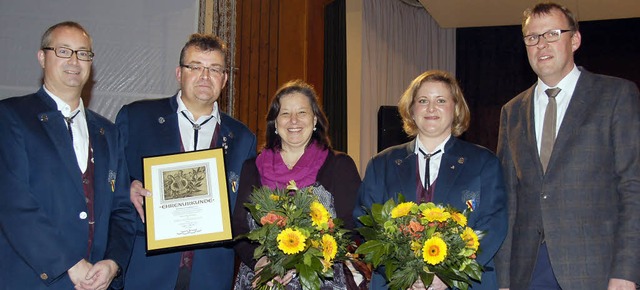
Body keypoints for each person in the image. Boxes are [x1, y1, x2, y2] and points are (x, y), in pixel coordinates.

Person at [494, 2, 640, 290]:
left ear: (575, 40)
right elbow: (508, 201)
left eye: (552, 34)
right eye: (532, 37)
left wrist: (626, 271)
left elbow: (633, 187)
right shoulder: (511, 111)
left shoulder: (616, 95)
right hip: (529, 271)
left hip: (596, 270)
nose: (541, 44)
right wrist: (504, 280)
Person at [0, 21, 136, 290]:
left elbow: (122, 210)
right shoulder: (11, 117)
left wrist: (112, 263)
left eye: (83, 53)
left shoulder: (108, 132)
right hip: (33, 280)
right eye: (64, 51)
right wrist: (69, 264)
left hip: (97, 282)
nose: (75, 61)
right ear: (42, 57)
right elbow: (14, 204)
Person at [115, 33, 257, 290]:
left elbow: (244, 212)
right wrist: (127, 187)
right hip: (146, 269)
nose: (205, 76)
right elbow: (105, 179)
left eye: (214, 69)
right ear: (179, 73)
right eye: (196, 67)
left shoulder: (242, 137)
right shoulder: (136, 118)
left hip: (210, 274)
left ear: (224, 80)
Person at [354, 70, 508, 290]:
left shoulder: (484, 162)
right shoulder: (381, 164)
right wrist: (404, 273)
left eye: (441, 100)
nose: (431, 108)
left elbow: (493, 225)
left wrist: (448, 275)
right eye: (423, 101)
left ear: (455, 109)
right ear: (411, 110)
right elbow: (364, 221)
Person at [232, 80, 363, 289]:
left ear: (315, 120)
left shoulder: (340, 166)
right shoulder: (251, 167)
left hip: (320, 278)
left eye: (302, 112)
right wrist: (260, 263)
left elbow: (352, 226)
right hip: (262, 278)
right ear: (275, 122)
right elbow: (238, 226)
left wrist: (308, 261)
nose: (293, 120)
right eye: (285, 113)